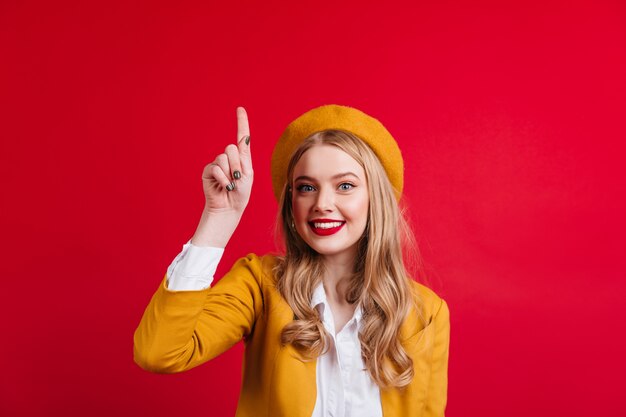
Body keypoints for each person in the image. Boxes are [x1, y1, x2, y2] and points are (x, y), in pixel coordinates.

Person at [133, 104, 450, 417]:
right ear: (291, 202)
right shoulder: (260, 283)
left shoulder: (426, 314)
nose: (322, 203)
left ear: (375, 197)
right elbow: (158, 353)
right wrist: (219, 218)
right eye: (307, 187)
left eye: (345, 186)